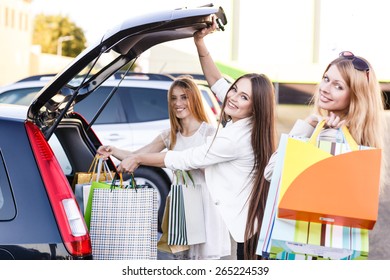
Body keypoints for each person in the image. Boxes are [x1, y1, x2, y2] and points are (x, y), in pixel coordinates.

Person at [117, 18, 277, 260]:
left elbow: (186, 158)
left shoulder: (232, 139)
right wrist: (200, 42)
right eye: (234, 89)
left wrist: (139, 157)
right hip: (243, 219)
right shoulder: (246, 118)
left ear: (255, 106)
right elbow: (216, 82)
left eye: (243, 97)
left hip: (236, 226)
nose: (232, 97)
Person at [97, 75, 231, 260]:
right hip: (180, 205)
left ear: (194, 99)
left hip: (204, 204)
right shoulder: (170, 135)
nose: (178, 103)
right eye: (174, 98)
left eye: (184, 97)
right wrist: (113, 150)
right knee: (182, 258)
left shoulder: (210, 133)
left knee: (204, 259)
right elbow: (139, 155)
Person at [264, 51, 386, 182]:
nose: (325, 88)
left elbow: (272, 173)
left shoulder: (333, 136)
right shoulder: (361, 140)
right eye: (326, 79)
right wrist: (309, 125)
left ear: (356, 97)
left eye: (338, 86)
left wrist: (309, 131)